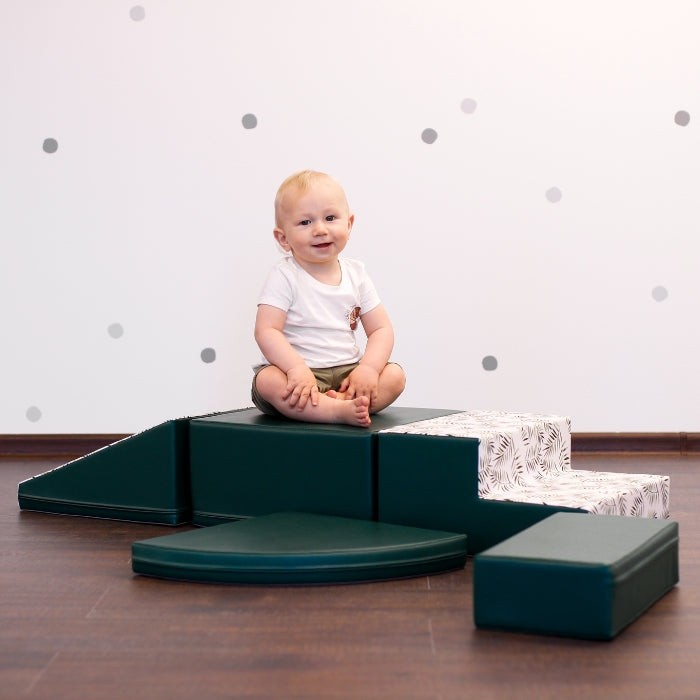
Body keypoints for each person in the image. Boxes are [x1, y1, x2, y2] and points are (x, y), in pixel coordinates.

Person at [252, 170, 405, 427]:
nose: (320, 230)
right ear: (283, 238)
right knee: (267, 381)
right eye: (305, 222)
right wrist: (295, 369)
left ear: (349, 223)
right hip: (301, 376)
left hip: (349, 373)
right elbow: (267, 330)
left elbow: (381, 329)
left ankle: (343, 402)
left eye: (330, 218)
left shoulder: (356, 274)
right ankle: (336, 411)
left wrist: (367, 369)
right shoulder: (285, 275)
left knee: (395, 376)